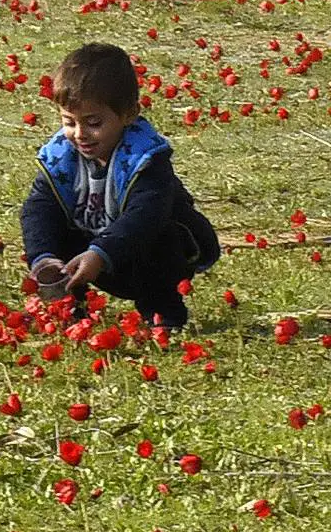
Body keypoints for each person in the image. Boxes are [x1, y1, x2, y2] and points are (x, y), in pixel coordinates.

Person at [20, 43, 219, 331]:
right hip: (90, 253)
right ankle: (70, 311)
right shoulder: (62, 158)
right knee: (52, 226)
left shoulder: (146, 160)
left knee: (159, 237)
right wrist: (44, 257)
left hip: (150, 254)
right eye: (69, 122)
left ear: (128, 114)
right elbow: (38, 208)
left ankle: (164, 316)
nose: (80, 134)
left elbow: (145, 216)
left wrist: (101, 253)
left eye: (94, 123)